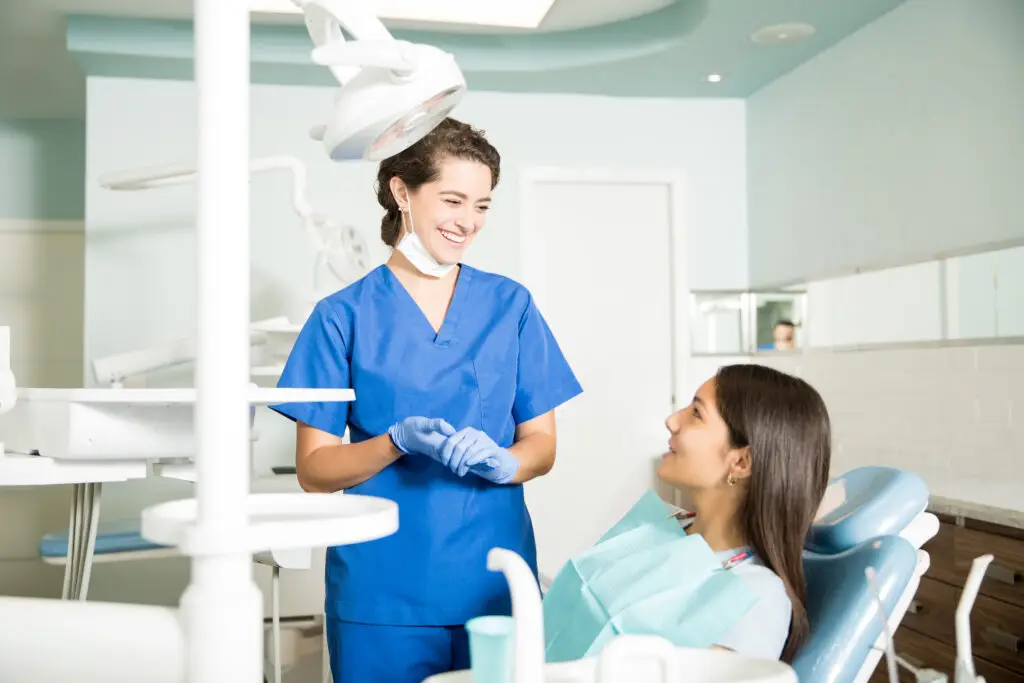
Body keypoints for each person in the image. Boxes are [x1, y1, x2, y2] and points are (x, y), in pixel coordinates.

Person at [270, 117, 582, 683]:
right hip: (381, 595)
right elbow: (314, 470)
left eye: (482, 206)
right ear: (401, 192)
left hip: (495, 585)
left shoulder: (511, 306)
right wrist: (393, 443)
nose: (468, 221)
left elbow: (543, 446)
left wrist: (506, 461)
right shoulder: (341, 317)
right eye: (453, 200)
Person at [657, 363, 831, 662]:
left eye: (697, 413)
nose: (672, 420)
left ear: (741, 462)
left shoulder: (755, 595)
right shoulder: (660, 528)